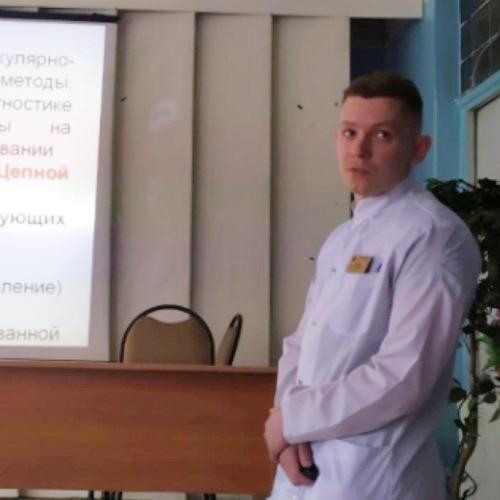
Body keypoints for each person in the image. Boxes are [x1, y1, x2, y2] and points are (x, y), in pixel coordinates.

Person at [264, 71, 481, 500]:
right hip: (308, 467)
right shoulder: (342, 239)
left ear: (418, 149)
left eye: (382, 135)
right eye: (349, 132)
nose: (359, 149)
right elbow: (302, 344)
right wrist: (288, 428)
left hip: (375, 478)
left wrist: (294, 419)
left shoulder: (433, 236)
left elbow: (404, 375)